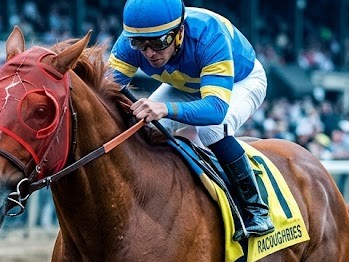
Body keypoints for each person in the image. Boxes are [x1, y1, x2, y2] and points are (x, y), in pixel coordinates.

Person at [108, 0, 274, 242]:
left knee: (211, 130)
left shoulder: (208, 35)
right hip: (186, 83)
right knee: (144, 129)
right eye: (139, 44)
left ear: (179, 32)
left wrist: (164, 108)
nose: (149, 53)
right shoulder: (130, 41)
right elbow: (106, 89)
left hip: (241, 80)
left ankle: (256, 209)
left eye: (158, 42)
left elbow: (216, 109)